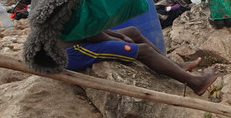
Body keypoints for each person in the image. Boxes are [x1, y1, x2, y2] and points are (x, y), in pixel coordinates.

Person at [65, 26, 219, 94]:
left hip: (82, 40)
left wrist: (119, 35)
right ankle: (196, 84)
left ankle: (175, 65)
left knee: (132, 32)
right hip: (73, 52)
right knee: (142, 50)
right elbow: (91, 34)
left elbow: (92, 28)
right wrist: (119, 41)